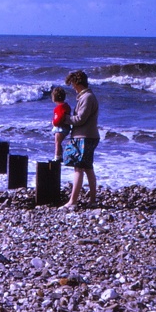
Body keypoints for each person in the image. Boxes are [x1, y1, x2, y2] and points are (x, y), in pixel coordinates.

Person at [60, 70, 99, 210]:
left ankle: (73, 201)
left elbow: (80, 119)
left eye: (72, 84)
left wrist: (64, 119)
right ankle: (93, 200)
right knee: (88, 168)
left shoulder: (87, 97)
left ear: (77, 82)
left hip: (85, 136)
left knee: (79, 167)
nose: (72, 87)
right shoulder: (87, 96)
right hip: (89, 136)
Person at [51, 86, 71, 161]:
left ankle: (57, 157)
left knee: (57, 143)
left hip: (60, 128)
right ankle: (60, 156)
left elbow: (59, 117)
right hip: (66, 127)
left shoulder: (59, 108)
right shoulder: (66, 106)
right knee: (59, 143)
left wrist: (54, 123)